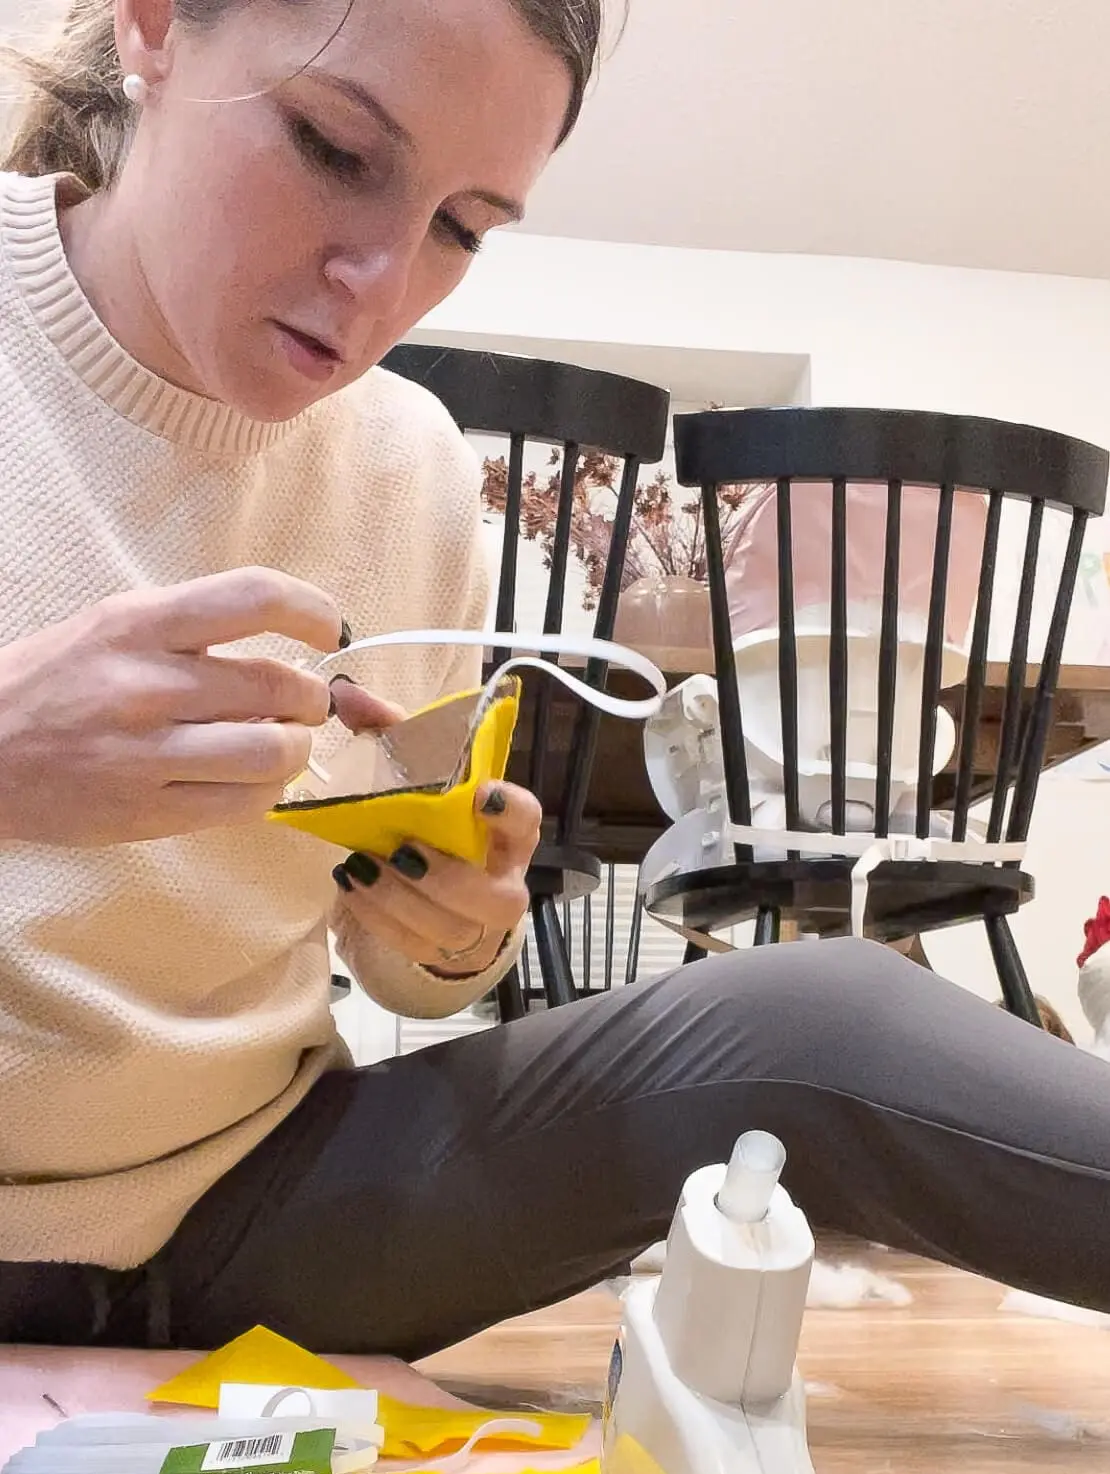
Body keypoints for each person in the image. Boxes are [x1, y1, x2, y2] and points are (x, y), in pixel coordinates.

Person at [2, 0, 1109, 1359]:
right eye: (334, 147)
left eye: (463, 227)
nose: (383, 279)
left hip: (262, 1212)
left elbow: (400, 965)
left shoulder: (409, 469)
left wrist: (452, 929)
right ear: (156, 26)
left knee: (818, 1019)